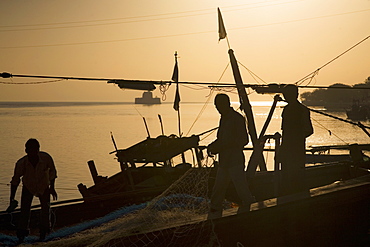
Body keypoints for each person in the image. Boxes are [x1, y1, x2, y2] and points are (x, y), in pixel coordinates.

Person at [207, 93, 254, 219]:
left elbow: (243, 140)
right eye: (216, 106)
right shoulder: (224, 118)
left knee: (242, 189)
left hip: (235, 161)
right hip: (224, 162)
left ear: (226, 104)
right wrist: (212, 146)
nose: (217, 108)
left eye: (219, 105)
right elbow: (221, 139)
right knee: (218, 189)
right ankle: (214, 211)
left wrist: (222, 147)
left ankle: (252, 209)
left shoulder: (237, 118)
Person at [9, 138, 58, 243]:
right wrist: (12, 198)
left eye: (35, 150)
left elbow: (53, 172)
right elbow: (15, 181)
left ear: (38, 150)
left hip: (43, 186)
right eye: (30, 151)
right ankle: (22, 234)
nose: (32, 153)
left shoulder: (46, 158)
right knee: (25, 211)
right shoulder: (21, 163)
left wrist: (52, 188)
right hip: (28, 187)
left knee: (45, 209)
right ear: (26, 151)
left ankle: (44, 232)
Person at [278, 84, 313, 200]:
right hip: (288, 149)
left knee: (295, 178)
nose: (285, 96)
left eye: (287, 94)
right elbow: (285, 132)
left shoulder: (302, 110)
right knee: (286, 177)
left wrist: (296, 139)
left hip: (295, 150)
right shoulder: (287, 110)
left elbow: (308, 130)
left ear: (295, 95)